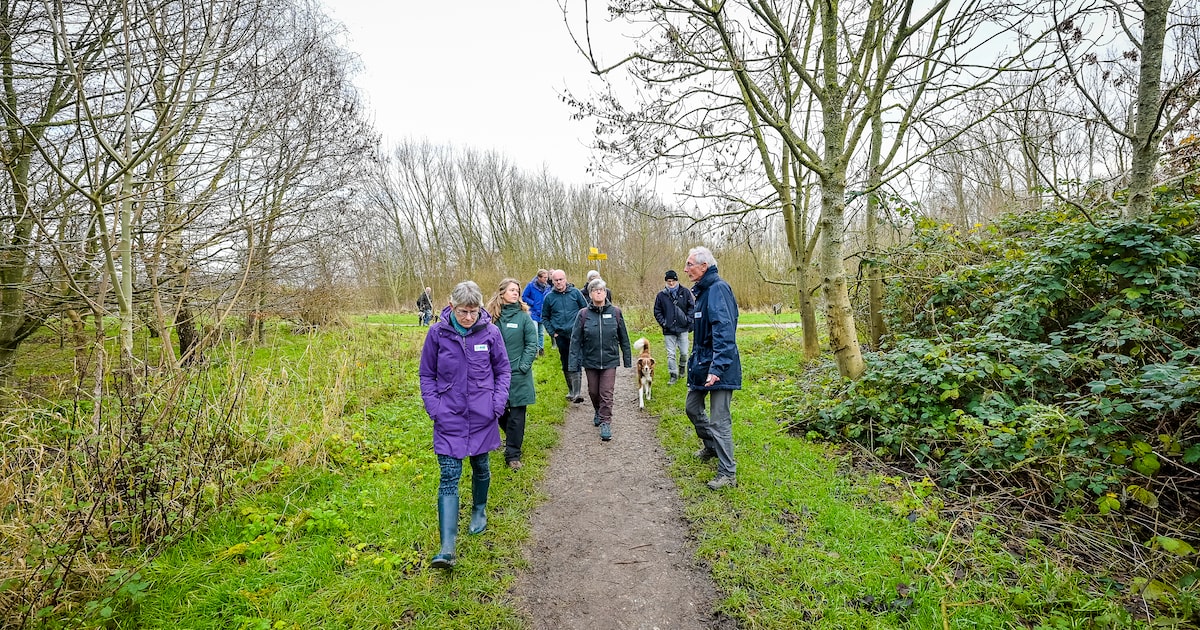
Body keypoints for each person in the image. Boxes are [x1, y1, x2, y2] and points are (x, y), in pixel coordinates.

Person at [418, 280, 511, 569]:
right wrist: (435, 408)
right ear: (451, 306)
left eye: (473, 311)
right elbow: (426, 375)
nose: (468, 317)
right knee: (449, 475)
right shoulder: (437, 334)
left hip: (482, 415)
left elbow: (503, 370)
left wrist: (496, 404)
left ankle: (479, 510)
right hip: (449, 415)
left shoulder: (491, 333)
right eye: (463, 312)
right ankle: (447, 548)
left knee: (480, 465)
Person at [683, 247, 741, 490]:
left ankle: (728, 473)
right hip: (703, 364)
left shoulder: (718, 289)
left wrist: (717, 368)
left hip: (720, 367)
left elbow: (724, 332)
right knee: (692, 407)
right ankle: (711, 446)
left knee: (719, 420)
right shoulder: (703, 292)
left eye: (689, 265)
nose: (685, 270)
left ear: (704, 266)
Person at [568, 278, 631, 441]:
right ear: (590, 294)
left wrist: (627, 358)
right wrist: (573, 363)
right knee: (593, 391)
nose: (598, 292)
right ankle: (597, 410)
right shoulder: (583, 315)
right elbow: (575, 340)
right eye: (595, 290)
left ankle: (605, 422)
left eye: (601, 290)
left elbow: (624, 337)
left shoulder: (615, 312)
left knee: (606, 392)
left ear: (605, 293)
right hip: (590, 360)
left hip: (610, 360)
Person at [487, 278, 538, 470]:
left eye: (517, 290)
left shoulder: (524, 317)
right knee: (498, 411)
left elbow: (532, 343)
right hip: (495, 374)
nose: (515, 293)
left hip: (519, 374)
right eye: (511, 290)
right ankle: (511, 435)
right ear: (502, 293)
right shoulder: (492, 317)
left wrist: (523, 366)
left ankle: (513, 455)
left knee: (517, 414)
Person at [541, 269, 588, 403]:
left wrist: (583, 328)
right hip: (560, 335)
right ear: (552, 281)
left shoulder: (575, 293)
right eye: (556, 280)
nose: (559, 282)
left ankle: (577, 393)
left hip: (576, 334)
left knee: (577, 360)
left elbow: (585, 310)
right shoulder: (549, 297)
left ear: (565, 279)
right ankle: (571, 390)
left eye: (561, 279)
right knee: (566, 361)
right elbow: (545, 317)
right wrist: (552, 332)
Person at [653, 269, 695, 386]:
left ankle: (682, 369)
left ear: (677, 280)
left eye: (673, 281)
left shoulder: (685, 292)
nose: (671, 283)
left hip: (683, 328)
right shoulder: (661, 295)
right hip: (668, 330)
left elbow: (692, 307)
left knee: (684, 353)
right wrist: (664, 323)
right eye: (668, 281)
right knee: (671, 354)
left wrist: (688, 320)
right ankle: (673, 375)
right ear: (666, 281)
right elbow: (657, 311)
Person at [522, 269, 551, 356]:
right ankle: (534, 351)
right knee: (534, 332)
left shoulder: (548, 287)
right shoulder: (531, 286)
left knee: (541, 332)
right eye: (544, 277)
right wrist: (533, 303)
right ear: (539, 277)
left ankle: (541, 349)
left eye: (547, 277)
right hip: (533, 312)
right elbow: (524, 297)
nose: (546, 279)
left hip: (542, 313)